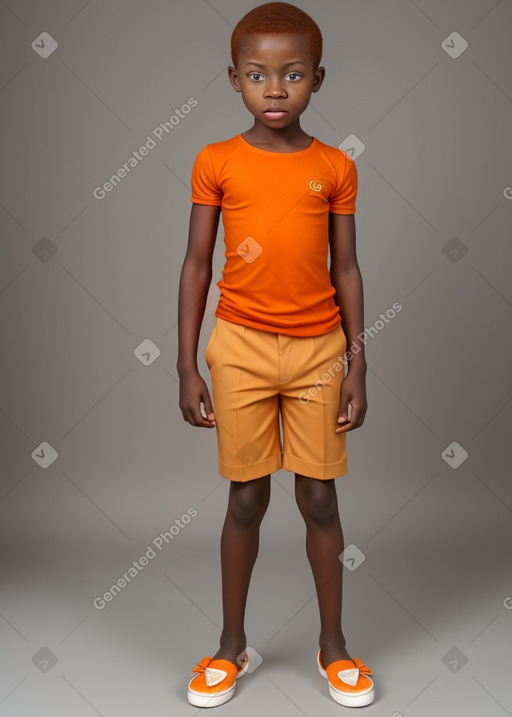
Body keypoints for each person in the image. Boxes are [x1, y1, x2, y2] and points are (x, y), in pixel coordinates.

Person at [177, 1, 374, 708]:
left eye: (292, 74)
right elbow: (197, 264)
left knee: (319, 495)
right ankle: (231, 645)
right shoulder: (216, 161)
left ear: (317, 77)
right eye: (258, 74)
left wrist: (358, 361)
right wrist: (186, 362)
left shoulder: (336, 166)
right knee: (246, 497)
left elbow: (346, 269)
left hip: (320, 350)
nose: (276, 88)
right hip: (239, 349)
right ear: (234, 78)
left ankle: (334, 646)